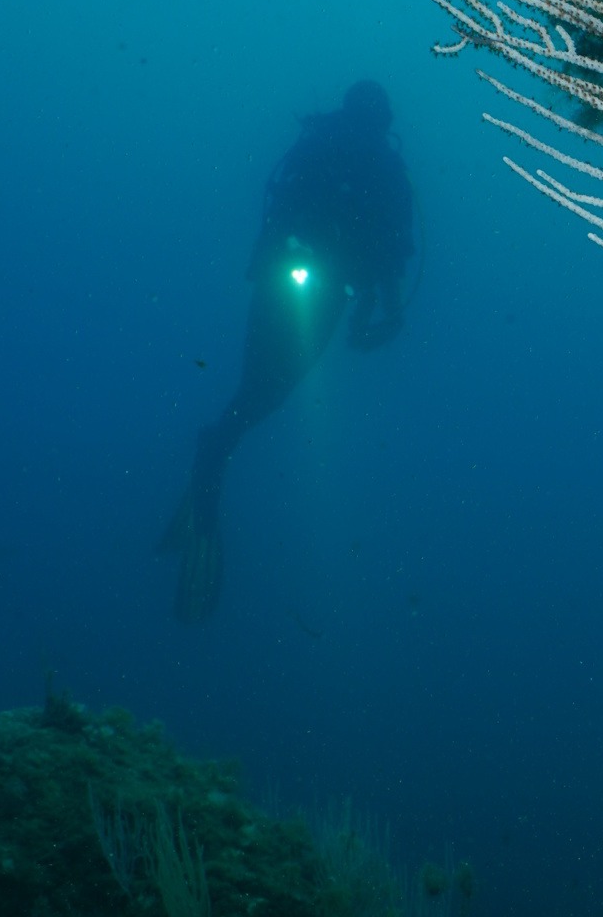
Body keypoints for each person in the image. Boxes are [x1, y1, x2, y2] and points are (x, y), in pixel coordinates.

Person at [161, 80, 415, 623]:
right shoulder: (383, 163)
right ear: (383, 117)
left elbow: (282, 207)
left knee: (255, 391)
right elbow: (393, 247)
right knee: (266, 397)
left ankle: (214, 454)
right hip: (328, 292)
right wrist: (381, 310)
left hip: (281, 278)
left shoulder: (318, 142)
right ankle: (215, 452)